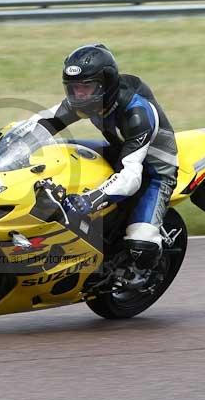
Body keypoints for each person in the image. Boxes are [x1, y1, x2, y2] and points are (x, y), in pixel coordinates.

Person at [37, 44, 179, 288]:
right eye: (74, 88)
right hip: (117, 151)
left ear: (107, 83)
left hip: (153, 170)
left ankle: (147, 268)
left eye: (86, 87)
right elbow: (42, 123)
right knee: (52, 153)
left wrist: (90, 200)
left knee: (142, 243)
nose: (80, 95)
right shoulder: (83, 100)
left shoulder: (137, 114)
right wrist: (9, 138)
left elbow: (132, 177)